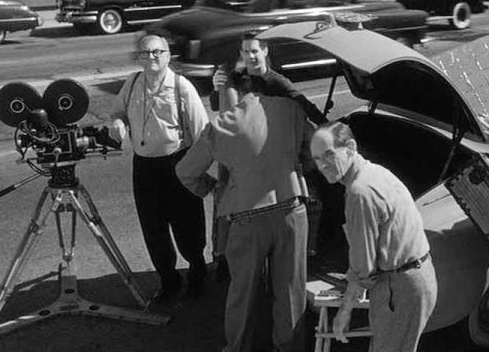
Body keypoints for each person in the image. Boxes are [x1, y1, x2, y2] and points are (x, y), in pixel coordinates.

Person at [176, 91, 312, 352]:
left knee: (243, 293)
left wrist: (217, 189)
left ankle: (237, 347)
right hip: (291, 207)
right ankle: (289, 347)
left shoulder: (221, 124)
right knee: (291, 291)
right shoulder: (291, 109)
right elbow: (315, 149)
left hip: (246, 215)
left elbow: (185, 171)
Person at [208, 32, 327, 280]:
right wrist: (217, 87)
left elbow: (305, 106)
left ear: (265, 51)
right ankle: (223, 258)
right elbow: (219, 105)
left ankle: (291, 255)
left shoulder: (278, 82)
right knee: (225, 203)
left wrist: (329, 127)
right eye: (246, 51)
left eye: (254, 51)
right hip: (239, 151)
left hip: (270, 152)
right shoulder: (237, 78)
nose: (250, 56)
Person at [309, 122, 437, 352]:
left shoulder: (360, 193)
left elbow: (364, 265)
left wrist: (345, 310)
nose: (322, 165)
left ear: (350, 147)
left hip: (401, 286)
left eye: (329, 154)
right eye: (317, 159)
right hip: (414, 279)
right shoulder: (374, 172)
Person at [108, 32, 209, 300]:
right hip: (144, 166)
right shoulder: (132, 82)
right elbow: (118, 112)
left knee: (187, 224)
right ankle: (169, 280)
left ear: (168, 56)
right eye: (145, 52)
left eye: (157, 52)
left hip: (177, 162)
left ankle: (197, 272)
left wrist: (200, 170)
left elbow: (202, 132)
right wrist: (118, 122)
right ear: (139, 57)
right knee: (153, 227)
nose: (151, 57)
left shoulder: (181, 86)